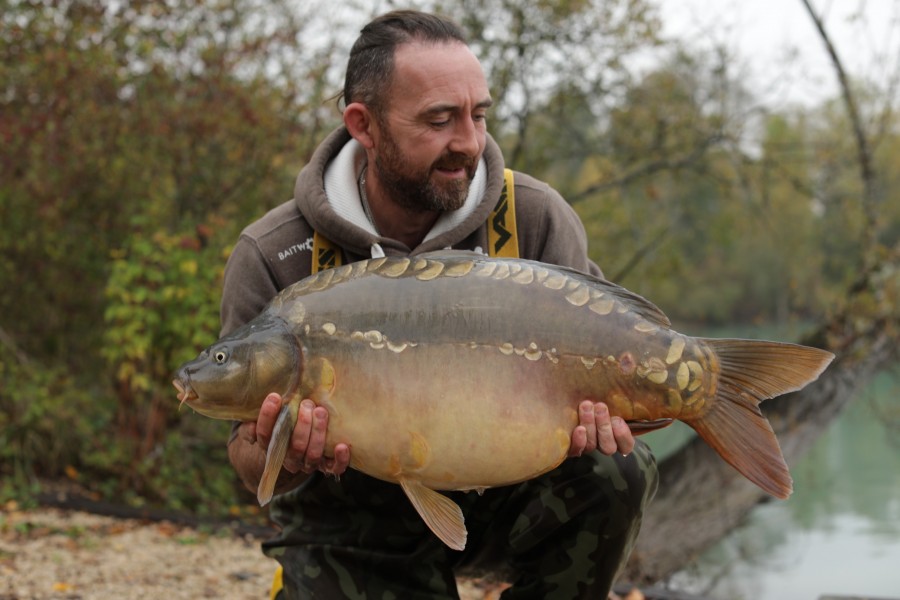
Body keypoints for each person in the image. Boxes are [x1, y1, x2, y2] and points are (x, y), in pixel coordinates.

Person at [222, 9, 657, 599]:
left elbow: (612, 374)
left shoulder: (533, 216)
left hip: (514, 488)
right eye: (440, 120)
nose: (469, 142)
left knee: (617, 472)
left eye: (479, 115)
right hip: (359, 518)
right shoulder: (275, 254)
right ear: (364, 125)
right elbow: (251, 471)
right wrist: (287, 455)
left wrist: (615, 416)